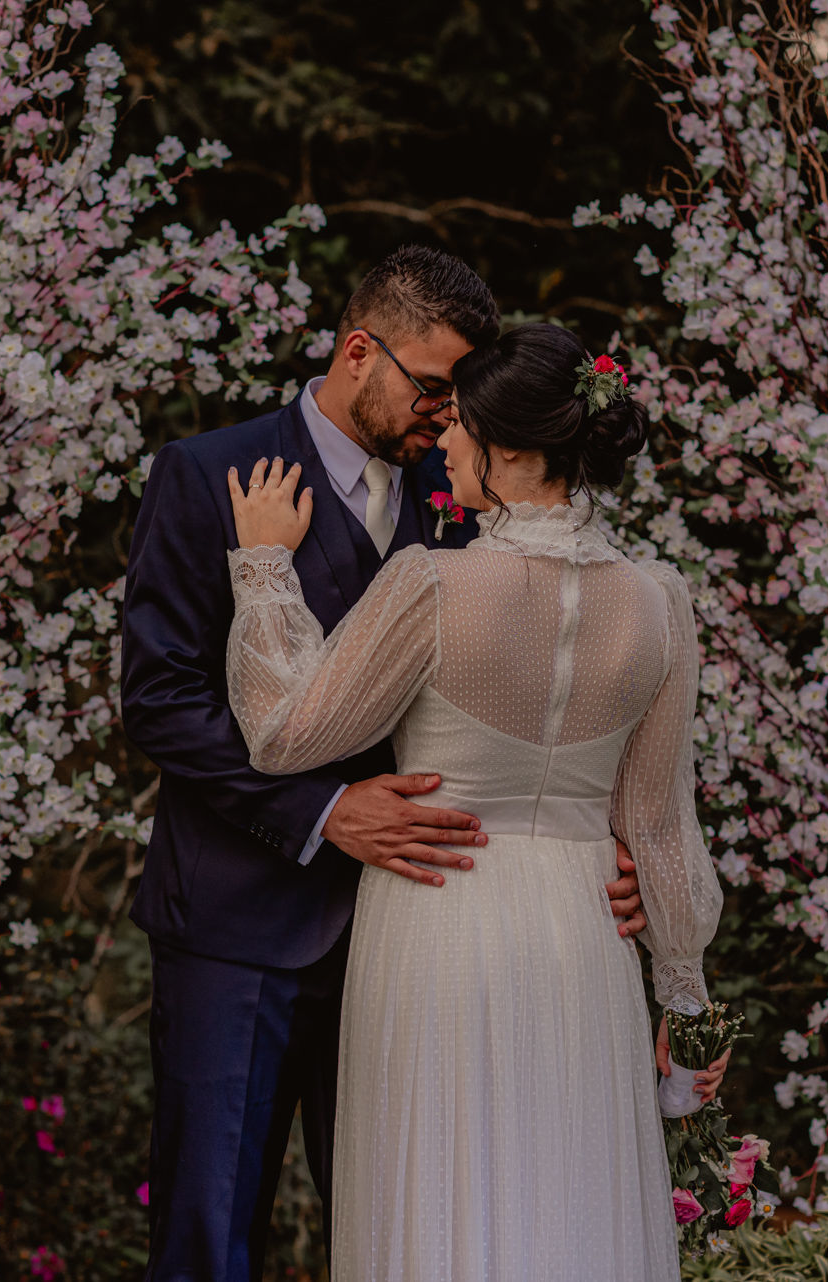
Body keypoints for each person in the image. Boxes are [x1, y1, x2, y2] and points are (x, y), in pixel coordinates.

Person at [120, 248, 650, 1282]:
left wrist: (604, 841)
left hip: (416, 937)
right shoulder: (208, 473)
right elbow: (162, 700)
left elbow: (546, 684)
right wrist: (324, 811)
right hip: (241, 929)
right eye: (435, 388)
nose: (447, 418)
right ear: (359, 349)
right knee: (208, 1236)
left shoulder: (468, 500)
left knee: (404, 1233)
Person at [222, 322, 727, 1280]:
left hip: (441, 916)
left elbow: (285, 733)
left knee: (442, 1209)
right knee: (571, 1208)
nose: (443, 444)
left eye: (460, 427)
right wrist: (687, 1000)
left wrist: (264, 565)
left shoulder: (433, 582)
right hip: (584, 940)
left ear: (511, 449)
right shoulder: (660, 601)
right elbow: (658, 826)